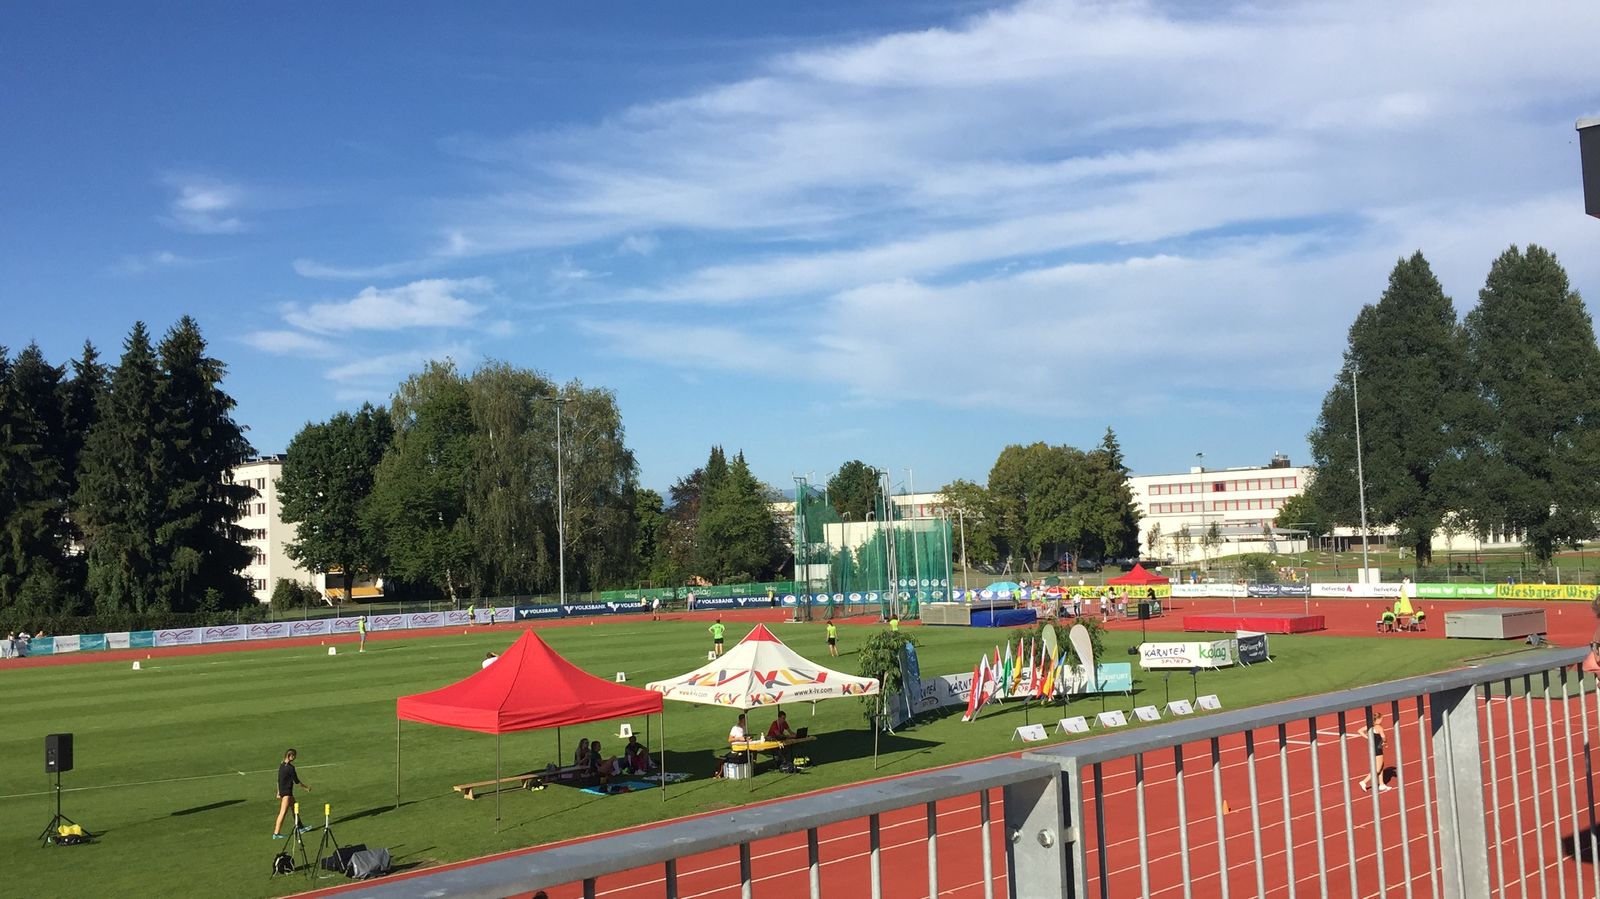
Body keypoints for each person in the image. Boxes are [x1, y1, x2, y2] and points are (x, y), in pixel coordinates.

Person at [273, 749, 310, 839]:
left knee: (294, 808)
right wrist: (306, 788)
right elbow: (296, 781)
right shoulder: (290, 768)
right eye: (294, 756)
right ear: (290, 756)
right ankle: (276, 833)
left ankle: (300, 827)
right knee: (283, 812)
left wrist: (278, 792)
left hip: (283, 792)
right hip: (287, 793)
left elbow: (279, 780)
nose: (295, 758)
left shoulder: (282, 765)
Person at [1358, 712, 1391, 792]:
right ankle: (1364, 781)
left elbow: (1359, 731)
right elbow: (1383, 737)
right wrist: (1385, 743)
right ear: (1378, 719)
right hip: (1378, 749)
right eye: (1381, 718)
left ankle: (1382, 785)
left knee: (1381, 765)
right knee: (1378, 769)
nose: (1382, 720)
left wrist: (1367, 737)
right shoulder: (1379, 727)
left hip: (1373, 748)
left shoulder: (1370, 726)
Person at [715, 713, 749, 779]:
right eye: (744, 720)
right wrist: (738, 738)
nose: (746, 722)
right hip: (736, 748)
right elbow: (730, 739)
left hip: (744, 747)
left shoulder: (745, 728)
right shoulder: (735, 728)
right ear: (740, 720)